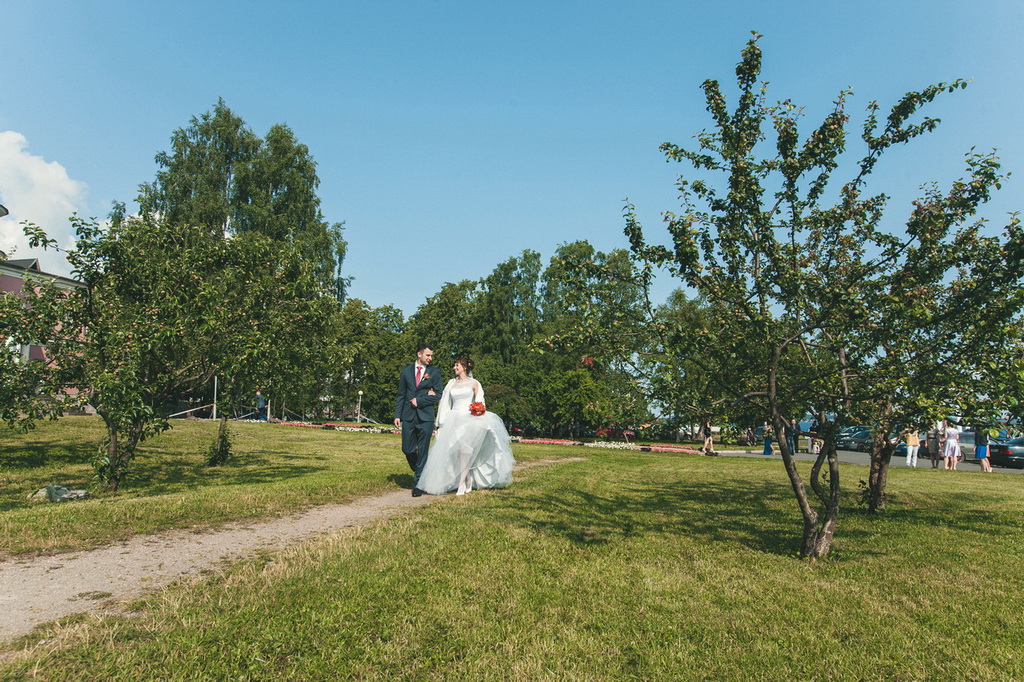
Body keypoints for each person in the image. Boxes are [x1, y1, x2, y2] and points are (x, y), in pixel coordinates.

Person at [417, 356, 515, 496]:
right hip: (453, 419)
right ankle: (468, 478)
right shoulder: (451, 383)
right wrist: (440, 422)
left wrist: (477, 413)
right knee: (455, 452)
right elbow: (444, 402)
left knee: (464, 450)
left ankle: (462, 483)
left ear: (464, 367)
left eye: (457, 365)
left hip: (469, 419)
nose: (454, 368)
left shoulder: (474, 383)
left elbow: (480, 402)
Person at [394, 343, 444, 496]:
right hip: (408, 415)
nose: (430, 358)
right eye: (428, 355)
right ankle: (422, 470)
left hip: (425, 417)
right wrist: (397, 415)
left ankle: (418, 485)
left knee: (423, 450)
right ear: (419, 354)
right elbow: (401, 394)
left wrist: (420, 400)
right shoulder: (406, 371)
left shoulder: (434, 372)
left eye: (431, 355)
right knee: (407, 449)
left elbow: (438, 394)